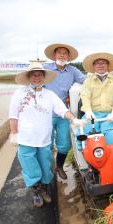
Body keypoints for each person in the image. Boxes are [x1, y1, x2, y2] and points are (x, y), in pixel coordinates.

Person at [9, 60, 83, 207]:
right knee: (31, 168)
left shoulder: (50, 95)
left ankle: (43, 188)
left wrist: (74, 119)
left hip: (44, 139)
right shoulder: (19, 94)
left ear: (44, 77)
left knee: (45, 166)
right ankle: (36, 191)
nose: (37, 78)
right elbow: (13, 116)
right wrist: (14, 133)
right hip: (26, 139)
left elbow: (62, 110)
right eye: (33, 75)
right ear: (29, 77)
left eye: (40, 75)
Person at [43, 43, 86, 179]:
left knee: (64, 145)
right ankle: (46, 172)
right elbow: (33, 83)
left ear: (68, 56)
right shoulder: (46, 69)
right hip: (45, 114)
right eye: (59, 52)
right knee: (45, 145)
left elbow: (85, 81)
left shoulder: (72, 71)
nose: (62, 55)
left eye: (65, 53)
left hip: (63, 114)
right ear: (54, 55)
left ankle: (59, 167)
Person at [79, 52, 113, 146]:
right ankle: (83, 154)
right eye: (98, 63)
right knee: (84, 134)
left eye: (103, 63)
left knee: (111, 137)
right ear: (94, 66)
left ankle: (110, 157)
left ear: (108, 65)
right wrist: (88, 110)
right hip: (92, 115)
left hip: (108, 115)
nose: (100, 65)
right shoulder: (88, 81)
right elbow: (85, 96)